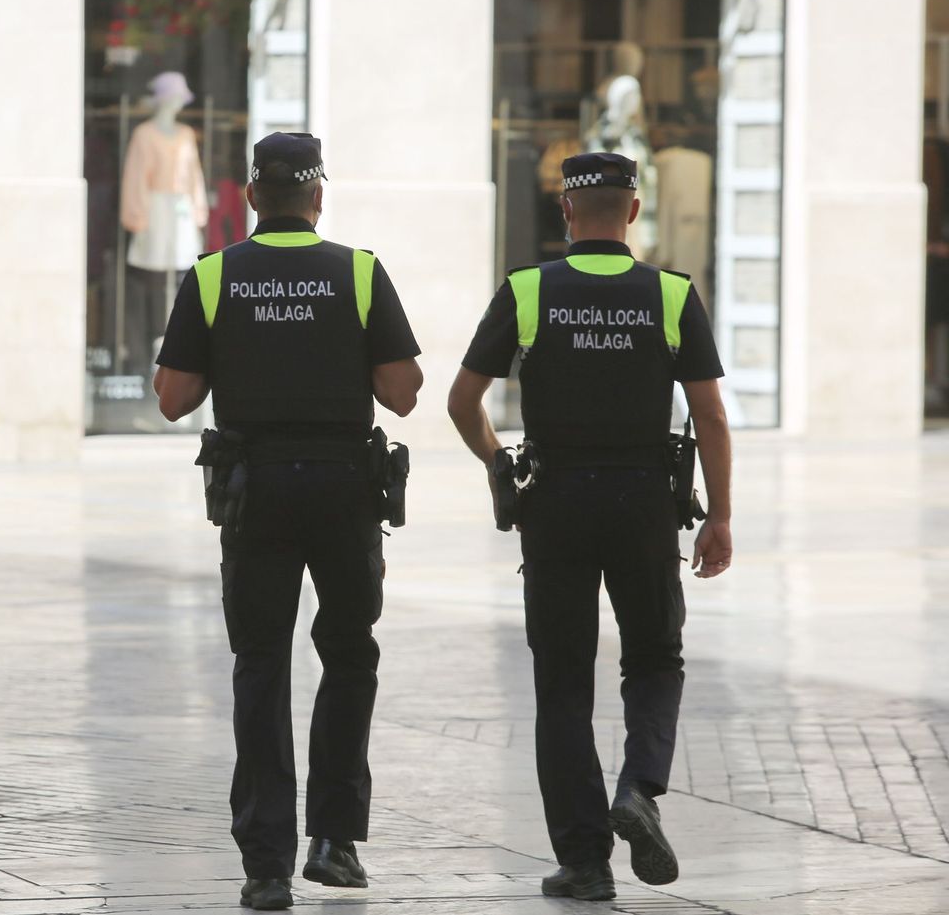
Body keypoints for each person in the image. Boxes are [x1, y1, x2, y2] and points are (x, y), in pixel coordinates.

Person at [446, 152, 733, 902]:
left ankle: (583, 861)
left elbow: (461, 398)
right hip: (644, 502)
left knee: (563, 683)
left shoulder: (528, 290)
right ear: (633, 212)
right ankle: (639, 786)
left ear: (566, 212)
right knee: (654, 657)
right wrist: (722, 515)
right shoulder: (671, 294)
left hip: (557, 503)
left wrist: (496, 459)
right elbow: (708, 414)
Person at [153, 132, 424, 911]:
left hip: (257, 490)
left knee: (260, 664)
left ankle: (266, 864)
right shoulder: (359, 272)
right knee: (348, 654)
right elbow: (402, 392)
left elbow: (173, 398)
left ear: (248, 197)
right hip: (344, 489)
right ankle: (335, 841)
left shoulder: (213, 275)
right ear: (317, 197)